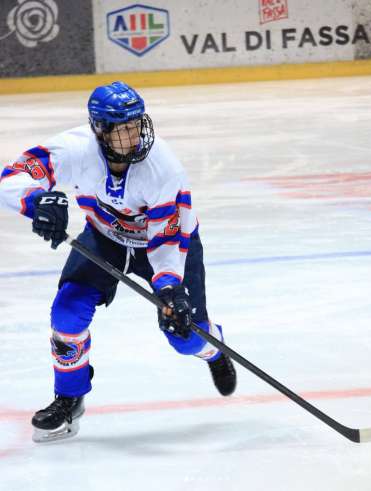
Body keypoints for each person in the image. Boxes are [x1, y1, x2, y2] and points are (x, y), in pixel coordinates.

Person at [0, 81, 237, 443]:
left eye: (136, 125)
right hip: (104, 237)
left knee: (186, 336)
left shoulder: (163, 168)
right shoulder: (74, 149)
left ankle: (213, 349)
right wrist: (37, 203)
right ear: (100, 129)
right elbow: (12, 176)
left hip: (165, 244)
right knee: (66, 313)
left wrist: (170, 286)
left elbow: (166, 238)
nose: (135, 135)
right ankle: (69, 397)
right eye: (123, 129)